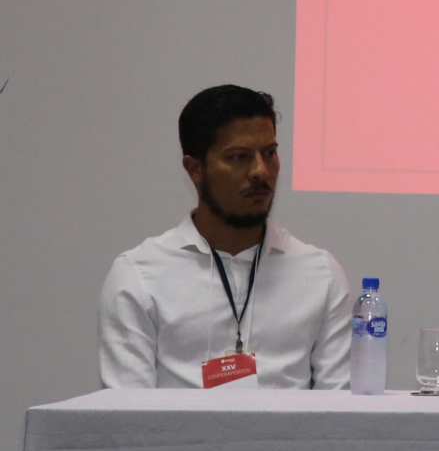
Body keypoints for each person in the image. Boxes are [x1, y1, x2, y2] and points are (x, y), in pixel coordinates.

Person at [99, 85, 351, 389]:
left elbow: (339, 406)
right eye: (238, 157)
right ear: (194, 169)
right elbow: (127, 409)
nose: (261, 171)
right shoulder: (139, 275)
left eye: (269, 153)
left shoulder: (320, 274)